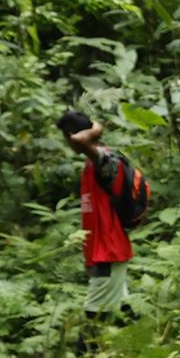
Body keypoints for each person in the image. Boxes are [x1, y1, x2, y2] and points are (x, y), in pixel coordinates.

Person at [58, 110, 133, 328]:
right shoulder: (91, 164)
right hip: (102, 249)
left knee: (93, 312)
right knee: (122, 310)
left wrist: (92, 131)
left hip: (108, 249)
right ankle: (134, 351)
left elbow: (80, 140)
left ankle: (88, 354)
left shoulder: (104, 160)